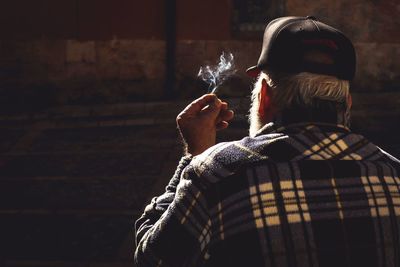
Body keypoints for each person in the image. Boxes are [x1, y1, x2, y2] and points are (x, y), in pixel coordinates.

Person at [134, 16, 400, 267]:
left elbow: (152, 258)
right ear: (348, 102)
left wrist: (195, 156)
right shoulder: (394, 171)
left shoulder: (217, 173)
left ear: (264, 96)